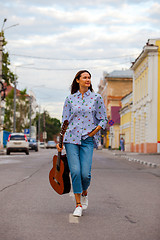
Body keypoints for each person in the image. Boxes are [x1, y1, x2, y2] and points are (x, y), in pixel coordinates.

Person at [57, 70, 108, 217]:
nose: (88, 79)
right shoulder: (70, 99)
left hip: (87, 139)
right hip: (71, 138)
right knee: (75, 171)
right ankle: (78, 204)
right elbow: (64, 122)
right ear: (78, 80)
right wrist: (60, 142)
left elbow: (103, 119)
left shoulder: (96, 98)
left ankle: (84, 191)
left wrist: (94, 131)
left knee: (85, 174)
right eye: (85, 77)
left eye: (89, 77)